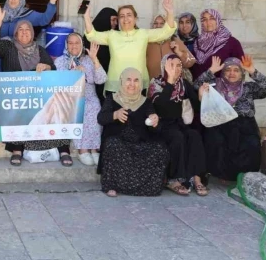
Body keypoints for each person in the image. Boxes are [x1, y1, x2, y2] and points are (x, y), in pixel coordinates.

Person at [0, 4, 70, 167]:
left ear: (32, 33)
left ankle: (63, 150)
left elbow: (53, 70)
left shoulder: (40, 50)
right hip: (17, 98)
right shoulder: (9, 47)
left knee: (57, 109)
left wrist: (46, 67)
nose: (24, 32)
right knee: (17, 112)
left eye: (27, 29)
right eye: (21, 30)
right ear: (16, 34)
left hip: (40, 99)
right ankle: (17, 150)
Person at [194, 56, 266, 181]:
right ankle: (222, 176)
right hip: (220, 123)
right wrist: (211, 71)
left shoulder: (248, 87)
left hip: (245, 124)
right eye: (228, 69)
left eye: (236, 70)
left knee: (251, 145)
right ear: (223, 71)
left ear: (242, 73)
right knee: (216, 142)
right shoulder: (214, 85)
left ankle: (246, 177)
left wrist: (252, 70)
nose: (232, 73)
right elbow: (196, 85)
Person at [97, 68, 169, 197]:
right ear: (122, 81)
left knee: (160, 148)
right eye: (128, 80)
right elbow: (101, 119)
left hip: (139, 144)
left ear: (140, 84)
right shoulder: (112, 99)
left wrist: (155, 121)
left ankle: (147, 188)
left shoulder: (146, 102)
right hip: (119, 144)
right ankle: (112, 186)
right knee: (112, 144)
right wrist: (115, 114)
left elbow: (155, 129)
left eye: (136, 80)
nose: (132, 84)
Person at [84, 0, 177, 93]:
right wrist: (86, 16)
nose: (126, 19)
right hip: (115, 85)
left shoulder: (143, 34)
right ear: (119, 19)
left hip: (138, 83)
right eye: (122, 16)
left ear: (135, 18)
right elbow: (92, 36)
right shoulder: (112, 35)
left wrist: (170, 12)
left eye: (129, 15)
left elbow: (166, 32)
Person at [148, 55, 210, 196]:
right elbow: (160, 106)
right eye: (171, 65)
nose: (175, 69)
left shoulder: (183, 83)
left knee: (194, 136)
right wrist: (169, 82)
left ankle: (197, 178)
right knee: (177, 137)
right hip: (160, 124)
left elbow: (197, 106)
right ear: (164, 66)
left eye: (178, 65)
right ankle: (173, 179)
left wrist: (200, 96)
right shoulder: (155, 83)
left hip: (178, 123)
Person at [54, 33, 107, 166]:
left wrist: (95, 60)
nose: (74, 46)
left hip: (89, 95)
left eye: (77, 43)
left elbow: (101, 79)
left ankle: (95, 149)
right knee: (79, 108)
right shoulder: (60, 61)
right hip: (69, 97)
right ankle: (83, 150)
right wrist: (74, 74)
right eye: (70, 43)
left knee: (94, 107)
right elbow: (57, 83)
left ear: (82, 44)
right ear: (66, 45)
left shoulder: (88, 60)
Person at [190, 9, 245, 80]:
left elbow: (240, 68)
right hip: (198, 87)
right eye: (204, 19)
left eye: (212, 18)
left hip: (221, 88)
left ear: (218, 21)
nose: (208, 22)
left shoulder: (231, 42)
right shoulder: (197, 42)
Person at [83, 7, 118, 104]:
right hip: (93, 79)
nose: (115, 23)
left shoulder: (117, 35)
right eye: (113, 20)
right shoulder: (91, 37)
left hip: (111, 78)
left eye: (116, 20)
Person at [146, 15, 195, 82]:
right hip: (154, 86)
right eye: (155, 23)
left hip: (174, 86)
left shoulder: (174, 39)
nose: (158, 26)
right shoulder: (147, 43)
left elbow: (191, 61)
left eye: (162, 23)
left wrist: (178, 52)